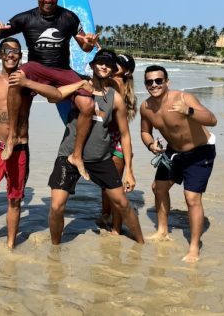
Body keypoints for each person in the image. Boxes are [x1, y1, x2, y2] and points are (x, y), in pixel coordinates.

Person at [0, 37, 90, 254]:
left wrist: (75, 83)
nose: (11, 54)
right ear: (0, 55)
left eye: (15, 52)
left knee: (15, 199)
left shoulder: (26, 82)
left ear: (21, 57)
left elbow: (55, 96)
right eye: (6, 51)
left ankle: (11, 243)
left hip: (20, 147)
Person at [13, 49, 143, 245]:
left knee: (123, 203)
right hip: (68, 155)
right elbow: (53, 97)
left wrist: (130, 171)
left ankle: (141, 243)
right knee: (56, 206)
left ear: (112, 69)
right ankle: (55, 248)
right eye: (99, 62)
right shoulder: (77, 87)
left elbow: (125, 135)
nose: (103, 66)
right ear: (92, 66)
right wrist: (79, 84)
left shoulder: (115, 97)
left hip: (100, 157)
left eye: (108, 64)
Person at [0, 0, 98, 179]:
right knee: (16, 79)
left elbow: (84, 46)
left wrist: (89, 43)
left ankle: (77, 155)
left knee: (88, 105)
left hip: (62, 70)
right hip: (36, 68)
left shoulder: (69, 18)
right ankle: (11, 137)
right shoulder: (25, 18)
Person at [139, 65, 218, 262]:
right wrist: (151, 144)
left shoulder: (183, 98)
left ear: (167, 82)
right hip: (174, 152)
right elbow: (144, 131)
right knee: (158, 188)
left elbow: (212, 119)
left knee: (191, 198)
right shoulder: (146, 107)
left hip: (200, 152)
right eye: (149, 82)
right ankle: (163, 231)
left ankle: (194, 248)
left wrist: (188, 111)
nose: (154, 85)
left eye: (159, 80)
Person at [101, 53, 137, 234]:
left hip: (114, 141)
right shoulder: (109, 81)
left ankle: (116, 227)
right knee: (106, 185)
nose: (114, 65)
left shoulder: (115, 85)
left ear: (127, 71)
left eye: (118, 64)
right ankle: (106, 216)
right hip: (108, 139)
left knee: (113, 188)